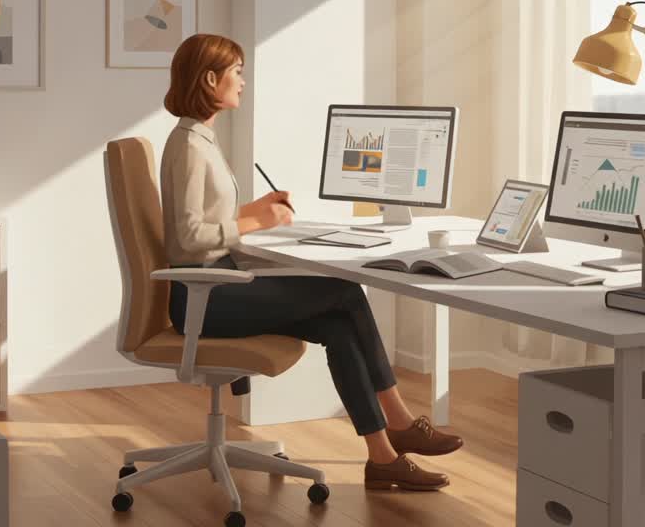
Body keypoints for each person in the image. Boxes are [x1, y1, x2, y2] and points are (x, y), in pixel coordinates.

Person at [160, 33, 463, 491]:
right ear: (210, 78)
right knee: (344, 290)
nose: (243, 81)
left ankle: (382, 456)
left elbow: (204, 219)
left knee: (339, 327)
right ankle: (399, 419)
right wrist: (256, 221)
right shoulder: (187, 145)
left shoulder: (200, 139)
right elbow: (186, 239)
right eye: (237, 72)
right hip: (202, 298)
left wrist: (252, 211)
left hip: (218, 284)